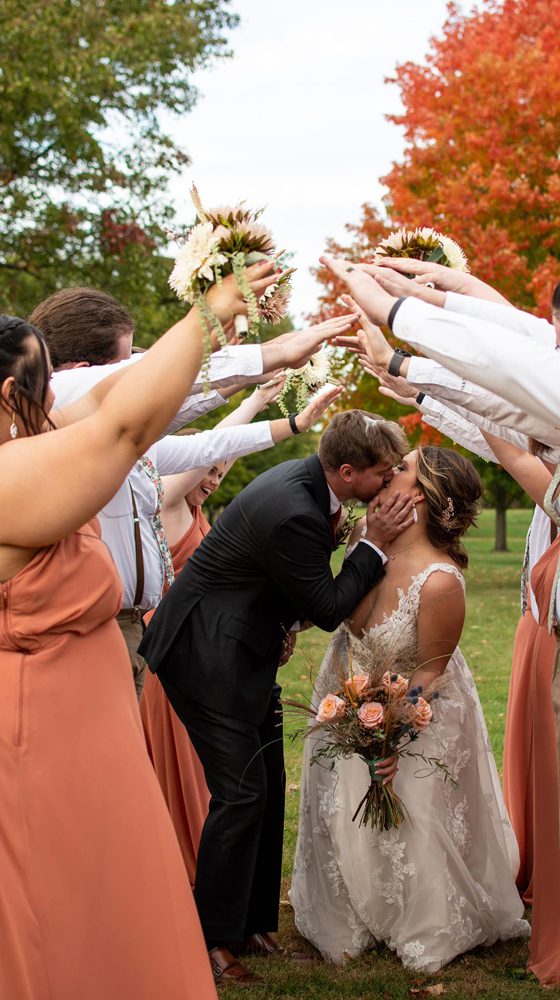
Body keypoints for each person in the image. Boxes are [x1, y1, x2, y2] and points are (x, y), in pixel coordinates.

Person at [325, 254, 560, 1000]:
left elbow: (522, 372)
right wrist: (426, 342)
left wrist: (400, 315)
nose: (554, 367)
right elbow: (516, 399)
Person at [0, 264, 274, 1000]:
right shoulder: (9, 478)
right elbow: (127, 425)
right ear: (11, 396)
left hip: (83, 727)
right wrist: (207, 311)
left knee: (102, 894)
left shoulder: (27, 451)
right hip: (42, 734)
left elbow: (118, 396)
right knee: (64, 909)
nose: (62, 398)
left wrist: (233, 335)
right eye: (43, 384)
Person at [139, 409, 417, 986]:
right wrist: (374, 542)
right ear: (346, 471)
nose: (390, 483)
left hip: (243, 646)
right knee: (240, 794)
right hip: (204, 654)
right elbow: (327, 605)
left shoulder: (313, 487)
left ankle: (254, 924)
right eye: (383, 474)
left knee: (263, 784)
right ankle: (212, 940)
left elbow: (287, 585)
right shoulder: (293, 508)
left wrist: (282, 622)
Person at [31, 285, 355, 697]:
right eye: (125, 359)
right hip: (95, 629)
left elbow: (199, 442)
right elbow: (162, 384)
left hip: (131, 628)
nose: (138, 366)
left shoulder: (114, 438)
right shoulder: (69, 398)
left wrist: (287, 419)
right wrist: (265, 355)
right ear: (80, 371)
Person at [290, 445, 529, 970]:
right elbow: (337, 611)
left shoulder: (440, 581)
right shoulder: (364, 541)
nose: (388, 472)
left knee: (415, 811)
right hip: (348, 686)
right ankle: (355, 907)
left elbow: (430, 672)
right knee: (341, 803)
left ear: (419, 494)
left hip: (419, 706)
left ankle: (422, 918)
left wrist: (392, 732)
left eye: (401, 468)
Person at [140, 377, 336, 884]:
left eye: (222, 473)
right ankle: (183, 867)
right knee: (212, 775)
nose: (214, 478)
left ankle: (212, 873)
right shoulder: (166, 503)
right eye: (208, 469)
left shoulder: (202, 512)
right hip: (186, 647)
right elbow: (209, 446)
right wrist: (252, 402)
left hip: (220, 646)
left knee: (228, 780)